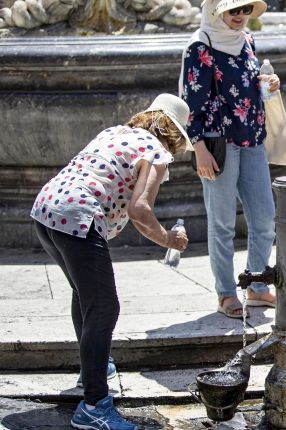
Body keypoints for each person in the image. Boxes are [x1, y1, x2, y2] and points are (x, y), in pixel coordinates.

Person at [31, 94, 192, 430]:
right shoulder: (156, 151)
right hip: (77, 215)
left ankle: (96, 368)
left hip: (46, 210)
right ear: (174, 135)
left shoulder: (114, 133)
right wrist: (168, 239)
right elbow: (140, 210)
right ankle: (93, 406)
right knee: (105, 307)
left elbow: (102, 180)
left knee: (85, 295)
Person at [179, 0, 280, 318]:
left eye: (245, 9)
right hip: (216, 143)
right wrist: (198, 149)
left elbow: (252, 90)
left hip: (252, 138)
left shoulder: (248, 40)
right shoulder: (200, 45)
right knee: (221, 223)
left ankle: (257, 284)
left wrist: (270, 86)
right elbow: (190, 102)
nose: (239, 16)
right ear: (216, 10)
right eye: (233, 10)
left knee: (265, 218)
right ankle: (225, 293)